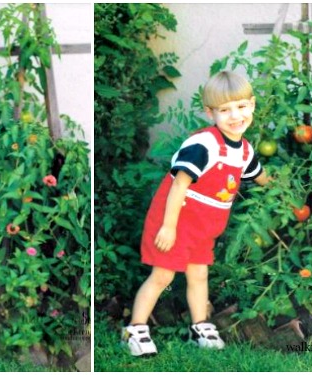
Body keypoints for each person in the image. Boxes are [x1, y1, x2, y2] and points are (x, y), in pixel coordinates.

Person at [123, 71, 270, 356]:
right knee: (162, 277)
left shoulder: (244, 152)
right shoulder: (204, 144)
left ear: (252, 105)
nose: (235, 116)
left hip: (204, 228)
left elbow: (260, 176)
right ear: (210, 112)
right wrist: (167, 227)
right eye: (225, 110)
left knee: (199, 275)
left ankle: (200, 325)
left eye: (241, 106)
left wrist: (284, 188)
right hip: (177, 221)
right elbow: (179, 183)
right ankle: (135, 329)